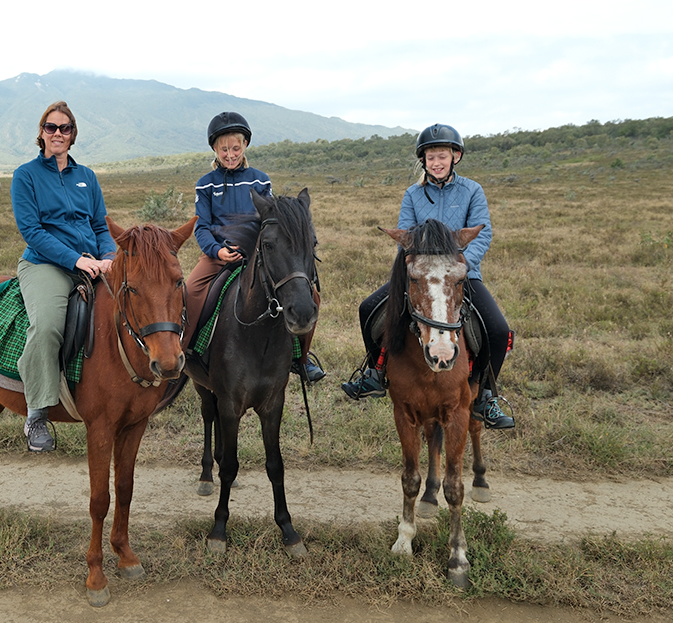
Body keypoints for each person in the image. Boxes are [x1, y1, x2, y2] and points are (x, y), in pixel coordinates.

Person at [341, 123, 516, 430]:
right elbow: (405, 236)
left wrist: (456, 270)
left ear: (455, 157)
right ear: (423, 160)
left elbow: (482, 235)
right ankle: (374, 372)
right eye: (431, 157)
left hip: (461, 276)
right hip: (420, 276)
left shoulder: (472, 191)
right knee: (368, 309)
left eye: (442, 156)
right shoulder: (413, 194)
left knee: (499, 330)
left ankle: (486, 394)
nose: (436, 162)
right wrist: (419, 268)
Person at [186, 111, 325, 383]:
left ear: (245, 145)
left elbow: (271, 222)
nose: (230, 154)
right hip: (219, 255)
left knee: (311, 295)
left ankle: (302, 357)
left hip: (257, 254)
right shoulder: (205, 184)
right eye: (224, 149)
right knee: (189, 292)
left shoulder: (260, 180)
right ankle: (185, 352)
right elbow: (201, 227)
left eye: (235, 148)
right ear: (214, 149)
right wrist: (217, 251)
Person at [10, 101, 116, 453]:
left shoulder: (86, 176)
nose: (58, 134)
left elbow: (100, 225)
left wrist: (109, 257)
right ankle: (37, 413)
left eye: (65, 128)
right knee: (48, 327)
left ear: (73, 135)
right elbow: (32, 231)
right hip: (46, 265)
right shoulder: (26, 175)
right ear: (41, 133)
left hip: (93, 263)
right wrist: (75, 260)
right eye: (51, 127)